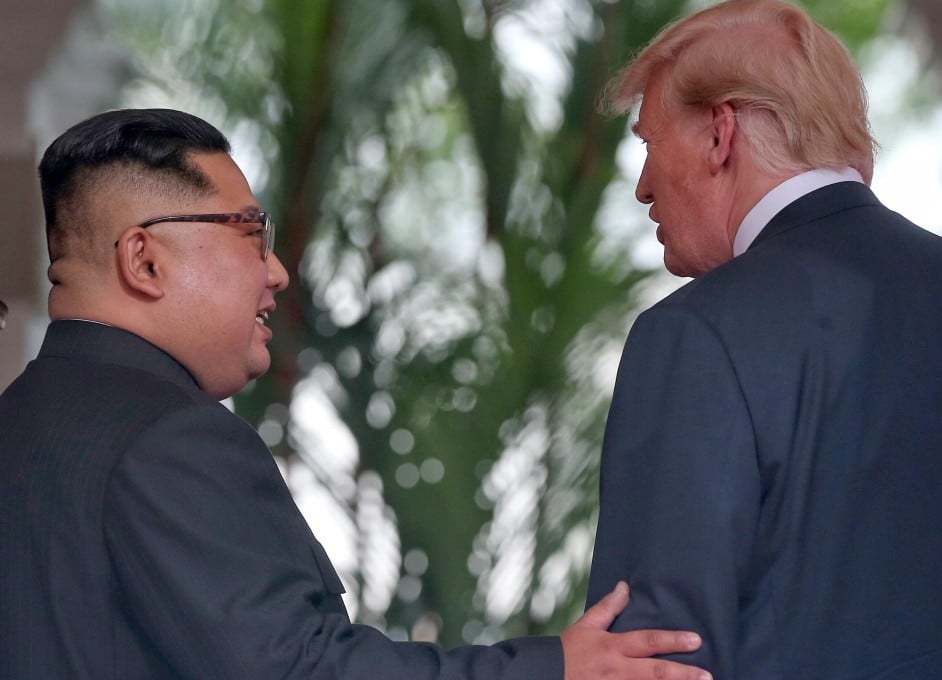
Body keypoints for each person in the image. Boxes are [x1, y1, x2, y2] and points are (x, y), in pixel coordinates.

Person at [0, 108, 711, 679]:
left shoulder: (21, 425)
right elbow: (300, 669)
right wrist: (554, 668)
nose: (276, 271)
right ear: (144, 258)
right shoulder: (169, 439)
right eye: (251, 233)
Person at [585, 0, 942, 678]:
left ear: (719, 134)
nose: (643, 187)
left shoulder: (693, 335)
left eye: (648, 142)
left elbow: (654, 660)